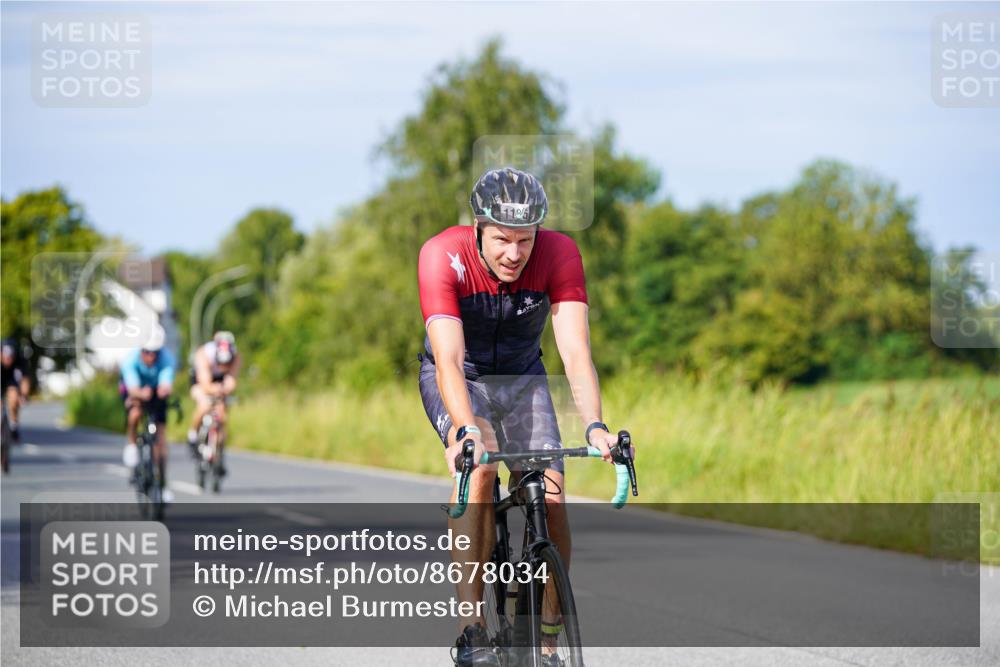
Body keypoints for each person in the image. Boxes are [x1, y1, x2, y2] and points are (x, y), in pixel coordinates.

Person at [417, 167, 624, 667]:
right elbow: (446, 358)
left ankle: (549, 637)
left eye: (525, 240)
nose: (514, 253)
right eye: (502, 240)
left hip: (523, 376)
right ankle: (472, 627)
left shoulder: (560, 255)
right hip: (460, 373)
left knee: (552, 494)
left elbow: (575, 351)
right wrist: (466, 430)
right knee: (482, 465)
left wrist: (594, 424)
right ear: (477, 229)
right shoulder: (442, 254)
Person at [120, 326, 176, 503]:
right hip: (135, 389)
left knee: (160, 440)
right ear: (141, 350)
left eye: (155, 353)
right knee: (135, 412)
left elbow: (167, 382)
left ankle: (162, 484)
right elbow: (132, 388)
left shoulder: (167, 358)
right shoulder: (129, 360)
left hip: (155, 391)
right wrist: (140, 394)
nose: (151, 357)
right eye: (147, 352)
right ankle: (131, 444)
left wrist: (164, 390)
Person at [187, 331, 239, 475]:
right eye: (221, 362)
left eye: (226, 363)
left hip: (219, 382)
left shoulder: (235, 357)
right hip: (201, 381)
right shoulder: (204, 354)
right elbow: (204, 383)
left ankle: (219, 453)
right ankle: (192, 435)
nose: (223, 365)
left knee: (222, 415)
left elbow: (232, 380)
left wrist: (225, 389)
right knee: (204, 405)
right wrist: (214, 390)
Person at [1, 340, 30, 442]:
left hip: (11, 380)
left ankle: (13, 426)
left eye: (10, 357)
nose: (8, 360)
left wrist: (24, 396)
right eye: (6, 357)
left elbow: (25, 380)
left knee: (14, 398)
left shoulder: (20, 360)